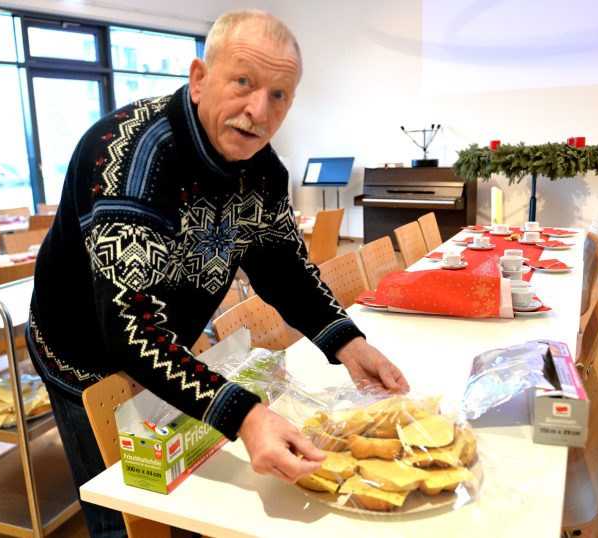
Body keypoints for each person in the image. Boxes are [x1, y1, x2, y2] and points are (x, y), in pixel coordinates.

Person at [27, 10, 409, 537]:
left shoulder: (263, 171)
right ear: (200, 78)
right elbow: (129, 332)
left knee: (174, 485)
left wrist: (348, 342)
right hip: (84, 351)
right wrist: (246, 417)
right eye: (244, 82)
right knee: (123, 510)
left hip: (165, 343)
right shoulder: (134, 160)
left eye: (279, 95)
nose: (259, 110)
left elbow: (285, 270)